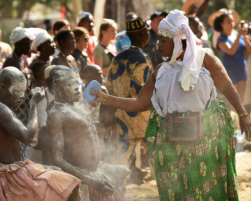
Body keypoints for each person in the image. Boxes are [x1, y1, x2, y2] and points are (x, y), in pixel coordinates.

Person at [93, 10, 248, 200]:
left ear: (180, 40)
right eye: (158, 40)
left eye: (163, 41)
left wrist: (243, 115)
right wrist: (105, 98)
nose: (158, 45)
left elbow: (227, 87)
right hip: (172, 142)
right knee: (177, 192)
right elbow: (139, 103)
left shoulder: (204, 59)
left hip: (206, 140)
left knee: (207, 191)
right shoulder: (161, 71)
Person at [0, 67, 81, 201]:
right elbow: (31, 139)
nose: (22, 96)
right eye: (17, 91)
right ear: (3, 87)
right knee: (69, 185)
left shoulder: (0, 107)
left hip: (14, 169)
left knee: (60, 175)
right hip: (7, 176)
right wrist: (34, 104)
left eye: (23, 91)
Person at [44, 65, 130, 201]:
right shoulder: (57, 115)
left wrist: (109, 168)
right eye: (70, 84)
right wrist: (91, 181)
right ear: (56, 87)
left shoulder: (74, 109)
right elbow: (57, 159)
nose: (76, 88)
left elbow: (83, 156)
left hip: (94, 177)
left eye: (76, 83)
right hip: (80, 184)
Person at [105, 17, 153, 185]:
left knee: (122, 157)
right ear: (141, 34)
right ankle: (168, 190)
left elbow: (109, 86)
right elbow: (141, 90)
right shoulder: (142, 59)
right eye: (147, 32)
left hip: (121, 115)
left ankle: (119, 192)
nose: (148, 35)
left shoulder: (117, 58)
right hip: (142, 116)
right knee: (156, 154)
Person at [15, 31, 56, 126]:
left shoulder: (49, 62)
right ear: (42, 46)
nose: (54, 45)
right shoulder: (38, 66)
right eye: (50, 42)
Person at [214, 11, 251, 101]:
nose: (232, 24)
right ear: (222, 24)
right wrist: (239, 36)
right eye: (228, 22)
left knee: (241, 99)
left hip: (242, 70)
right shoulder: (221, 39)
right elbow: (231, 52)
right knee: (232, 100)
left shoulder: (238, 35)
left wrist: (244, 36)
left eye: (232, 21)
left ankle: (240, 115)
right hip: (230, 72)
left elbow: (249, 50)